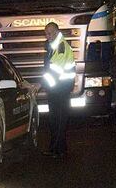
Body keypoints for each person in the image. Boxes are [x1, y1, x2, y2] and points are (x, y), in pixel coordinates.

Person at [41, 22, 76, 158]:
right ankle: (59, 149)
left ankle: (57, 149)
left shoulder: (61, 48)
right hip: (56, 89)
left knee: (59, 120)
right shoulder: (54, 47)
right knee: (55, 120)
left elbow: (54, 72)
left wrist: (40, 85)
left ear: (56, 32)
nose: (47, 36)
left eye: (49, 33)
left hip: (61, 89)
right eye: (46, 33)